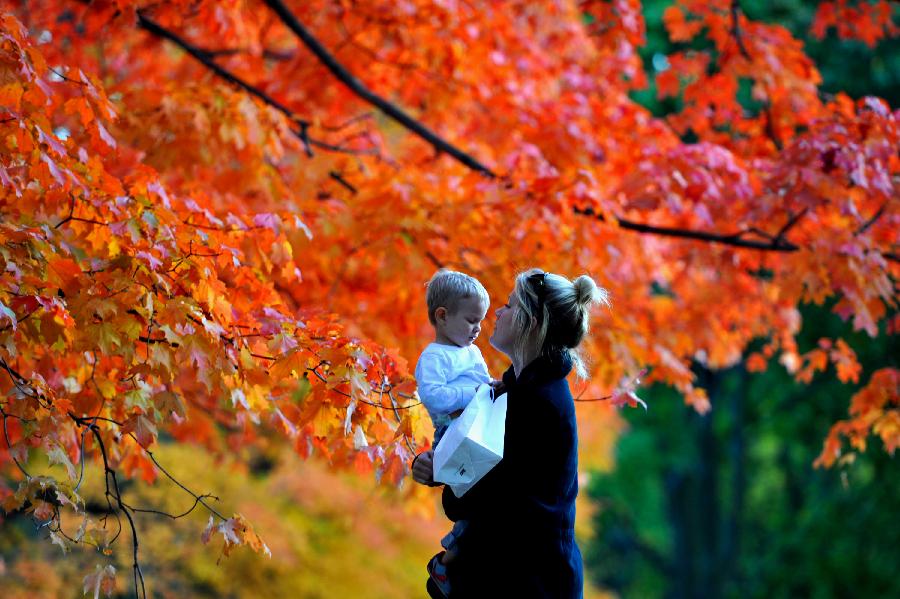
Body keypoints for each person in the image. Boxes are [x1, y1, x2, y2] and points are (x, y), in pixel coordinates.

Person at [412, 268, 609, 598]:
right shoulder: (519, 390)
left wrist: (445, 476)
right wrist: (441, 467)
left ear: (530, 323)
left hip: (530, 580)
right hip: (516, 573)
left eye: (510, 305)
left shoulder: (537, 401)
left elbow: (497, 497)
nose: (499, 313)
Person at [415, 269, 494, 596]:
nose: (477, 329)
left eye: (480, 321)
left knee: (481, 501)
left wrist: (489, 391)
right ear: (442, 316)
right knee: (475, 499)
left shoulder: (472, 352)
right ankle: (449, 560)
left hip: (477, 429)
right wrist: (472, 393)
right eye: (471, 320)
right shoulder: (433, 357)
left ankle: (458, 554)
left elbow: (487, 384)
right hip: (451, 434)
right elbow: (433, 395)